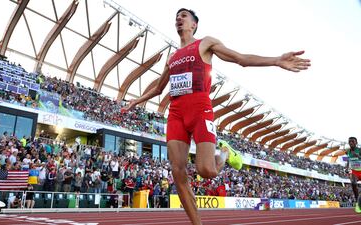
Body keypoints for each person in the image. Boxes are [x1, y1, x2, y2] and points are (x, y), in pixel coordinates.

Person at [124, 8, 310, 225]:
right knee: (177, 171)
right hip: (176, 112)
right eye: (177, 16)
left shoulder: (205, 43)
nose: (179, 19)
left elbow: (241, 59)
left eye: (184, 16)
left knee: (206, 171)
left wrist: (276, 60)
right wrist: (137, 101)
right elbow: (158, 89)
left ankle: (224, 152)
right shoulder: (172, 56)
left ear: (194, 24)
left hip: (199, 107)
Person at [346, 137, 361, 213]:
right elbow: (348, 160)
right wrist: (347, 168)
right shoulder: (348, 151)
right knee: (353, 183)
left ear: (356, 142)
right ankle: (357, 201)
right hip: (354, 171)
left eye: (352, 141)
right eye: (350, 141)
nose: (351, 143)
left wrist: (358, 156)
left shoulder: (359, 150)